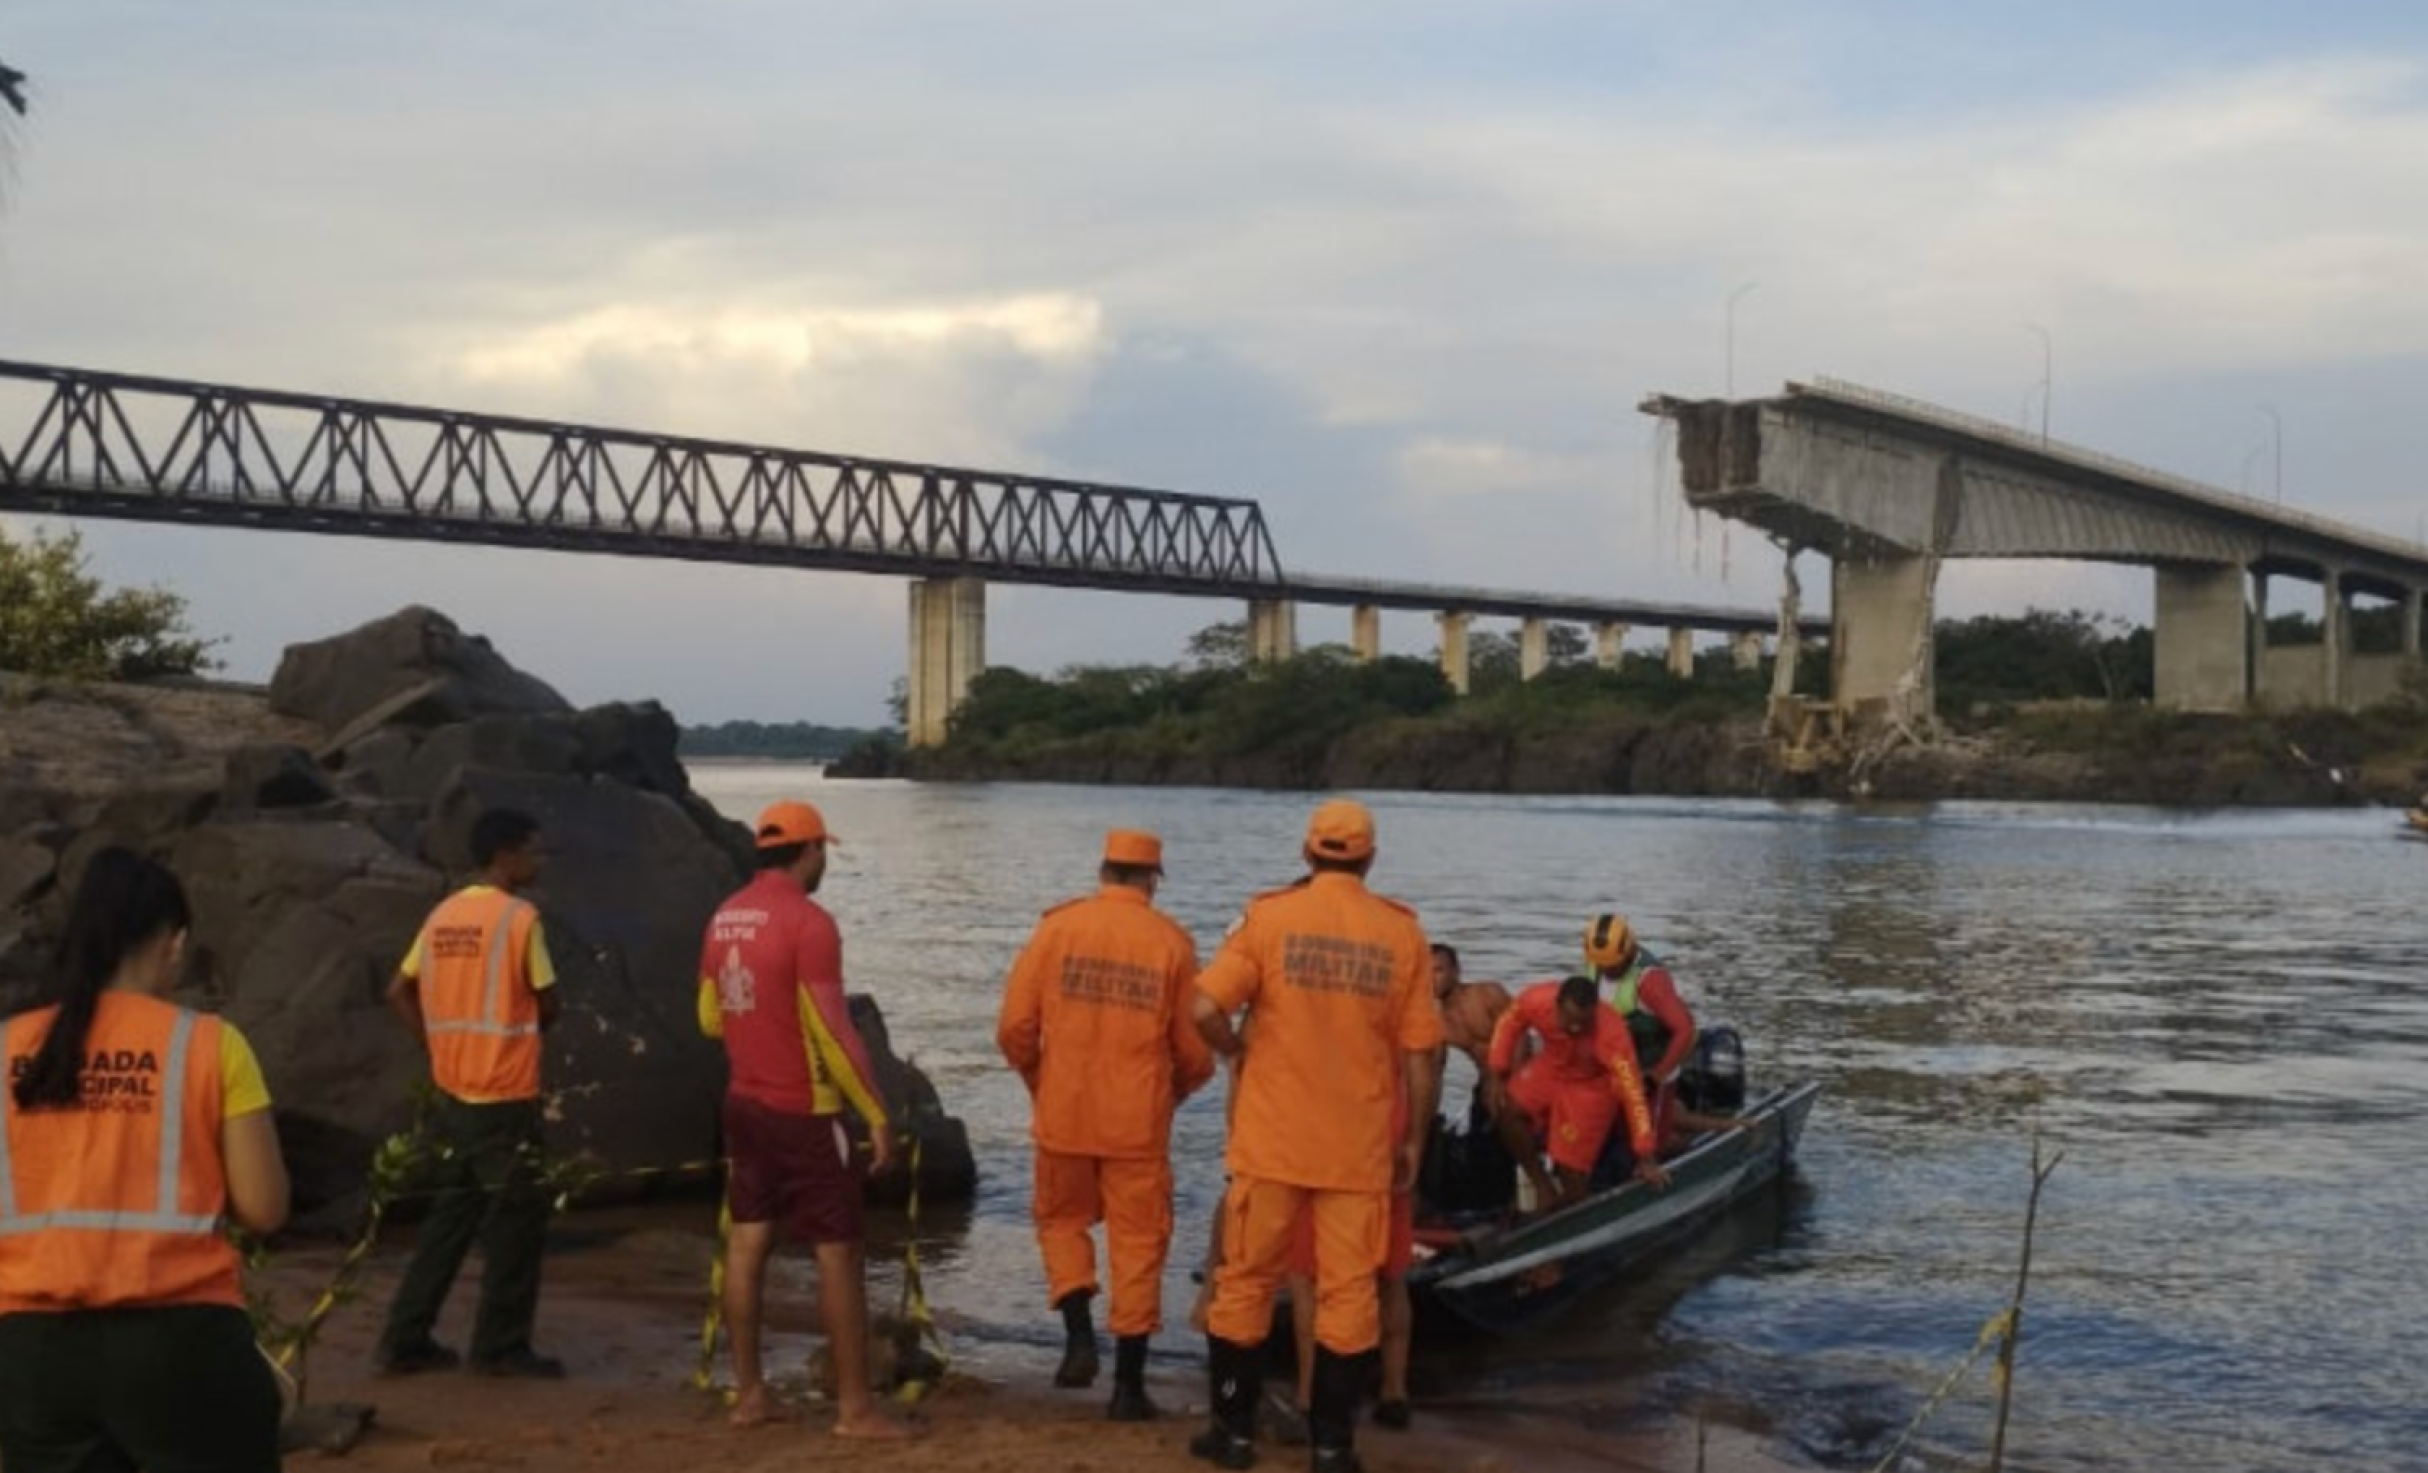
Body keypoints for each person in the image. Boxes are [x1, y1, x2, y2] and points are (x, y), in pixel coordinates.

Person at [0, 847, 292, 1473]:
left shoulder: (7, 1047)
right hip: (180, 1339)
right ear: (174, 942)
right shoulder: (211, 1044)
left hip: (30, 1348)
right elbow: (264, 1208)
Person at [1190, 799, 1444, 1473]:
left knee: (1243, 1282)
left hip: (1271, 1143)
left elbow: (1203, 1006)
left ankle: (1233, 1435)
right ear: (1369, 858)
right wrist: (1414, 1140)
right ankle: (1333, 1447)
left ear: (1307, 854)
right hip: (1357, 1151)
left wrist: (1236, 1051)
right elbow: (1421, 1054)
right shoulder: (1401, 933)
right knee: (1349, 1293)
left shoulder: (1268, 918)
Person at [697, 800, 916, 1440]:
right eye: (824, 852)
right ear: (810, 850)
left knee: (748, 1244)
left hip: (744, 1102)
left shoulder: (724, 916)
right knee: (838, 1256)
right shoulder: (809, 922)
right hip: (805, 1111)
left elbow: (709, 1016)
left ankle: (751, 1396)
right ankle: (856, 1409)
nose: (825, 863)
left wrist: (757, 1029)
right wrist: (876, 1114)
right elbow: (833, 1029)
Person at [997, 828, 1213, 1421]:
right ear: (1152, 879)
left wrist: (1043, 1082)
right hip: (1136, 1125)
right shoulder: (1172, 942)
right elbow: (1195, 1054)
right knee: (1138, 1246)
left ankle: (1078, 1336)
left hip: (1063, 1114)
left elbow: (1014, 1028)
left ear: (1103, 871)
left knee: (1061, 1222)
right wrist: (1172, 1094)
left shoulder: (1056, 930)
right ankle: (1127, 1389)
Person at [378, 807, 565, 1378]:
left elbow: (397, 991)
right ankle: (501, 1346)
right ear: (505, 855)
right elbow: (548, 1000)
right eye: (534, 849)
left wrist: (436, 1047)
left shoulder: (444, 915)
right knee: (517, 1219)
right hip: (503, 1093)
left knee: (451, 1215)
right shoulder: (518, 919)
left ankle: (406, 1335)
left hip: (453, 1089)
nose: (540, 860)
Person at [1484, 976, 1669, 1211]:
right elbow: (1508, 1023)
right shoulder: (1536, 999)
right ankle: (1542, 1185)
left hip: (1591, 1084)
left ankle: (1573, 1209)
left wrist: (1645, 1155)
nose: (1575, 1028)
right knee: (1506, 1107)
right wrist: (1496, 1071)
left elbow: (1633, 1092)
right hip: (1552, 1066)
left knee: (1570, 1166)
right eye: (1569, 1020)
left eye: (1583, 1023)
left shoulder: (1611, 1033)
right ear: (1557, 1005)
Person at [1581, 914, 1697, 1142]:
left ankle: (1677, 1136)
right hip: (1616, 1065)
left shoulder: (1651, 981)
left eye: (1611, 965)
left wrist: (1657, 1076)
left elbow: (1684, 1031)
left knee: (1651, 1143)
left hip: (1652, 1067)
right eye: (1600, 964)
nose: (1605, 970)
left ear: (1627, 952)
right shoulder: (1596, 963)